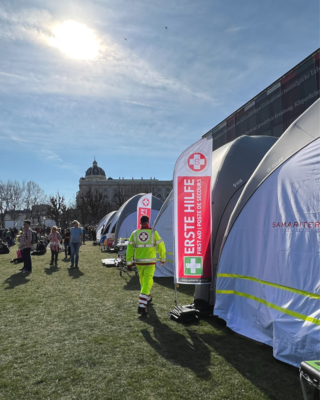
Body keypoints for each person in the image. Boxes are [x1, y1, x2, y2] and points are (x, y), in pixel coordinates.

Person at [126, 215, 166, 315]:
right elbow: (161, 245)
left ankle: (147, 297)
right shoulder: (153, 232)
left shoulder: (134, 233)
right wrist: (162, 258)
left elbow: (129, 249)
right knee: (148, 282)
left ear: (140, 222)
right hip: (150, 262)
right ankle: (142, 305)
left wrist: (129, 262)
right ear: (148, 222)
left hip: (139, 262)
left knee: (143, 280)